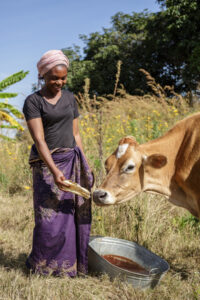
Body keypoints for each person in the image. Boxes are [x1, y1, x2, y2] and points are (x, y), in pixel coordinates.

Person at [23, 50, 93, 277]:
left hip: (72, 160)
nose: (59, 82)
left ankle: (69, 267)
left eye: (63, 78)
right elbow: (39, 140)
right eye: (54, 78)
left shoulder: (70, 98)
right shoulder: (33, 102)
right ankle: (43, 266)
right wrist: (54, 171)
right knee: (49, 218)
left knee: (69, 215)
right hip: (47, 165)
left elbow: (76, 135)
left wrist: (85, 163)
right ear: (43, 75)